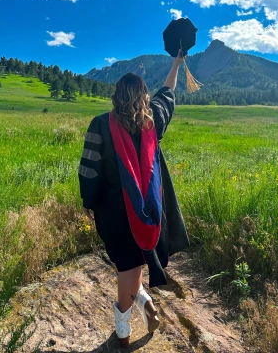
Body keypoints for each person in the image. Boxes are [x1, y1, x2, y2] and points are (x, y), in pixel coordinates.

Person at [78, 51, 189, 347]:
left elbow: (88, 172)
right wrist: (176, 64)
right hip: (148, 212)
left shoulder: (100, 125)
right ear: (144, 97)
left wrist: (88, 203)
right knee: (130, 266)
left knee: (125, 268)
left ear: (116, 97)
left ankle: (122, 333)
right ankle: (144, 303)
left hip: (114, 215)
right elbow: (168, 92)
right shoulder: (153, 123)